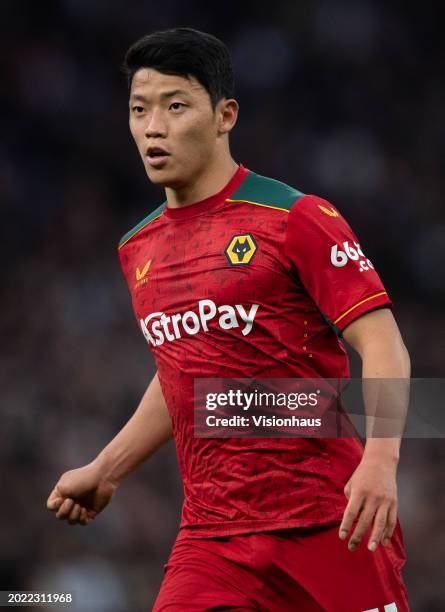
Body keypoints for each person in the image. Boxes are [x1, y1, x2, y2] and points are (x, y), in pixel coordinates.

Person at [47, 28, 410, 611]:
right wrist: (107, 468)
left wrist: (380, 462)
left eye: (176, 106)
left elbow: (384, 344)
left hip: (331, 523)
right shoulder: (137, 248)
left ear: (224, 116)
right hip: (212, 545)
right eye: (140, 110)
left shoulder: (296, 218)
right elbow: (184, 372)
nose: (153, 127)